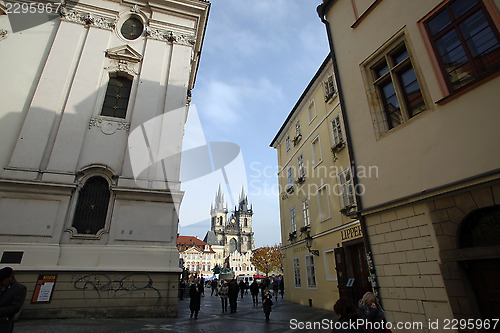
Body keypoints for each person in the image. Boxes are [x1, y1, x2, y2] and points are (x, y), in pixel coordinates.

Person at [0, 267, 27, 333]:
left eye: (1, 281)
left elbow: (15, 307)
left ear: (10, 278)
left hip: (3, 323)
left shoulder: (19, 289)